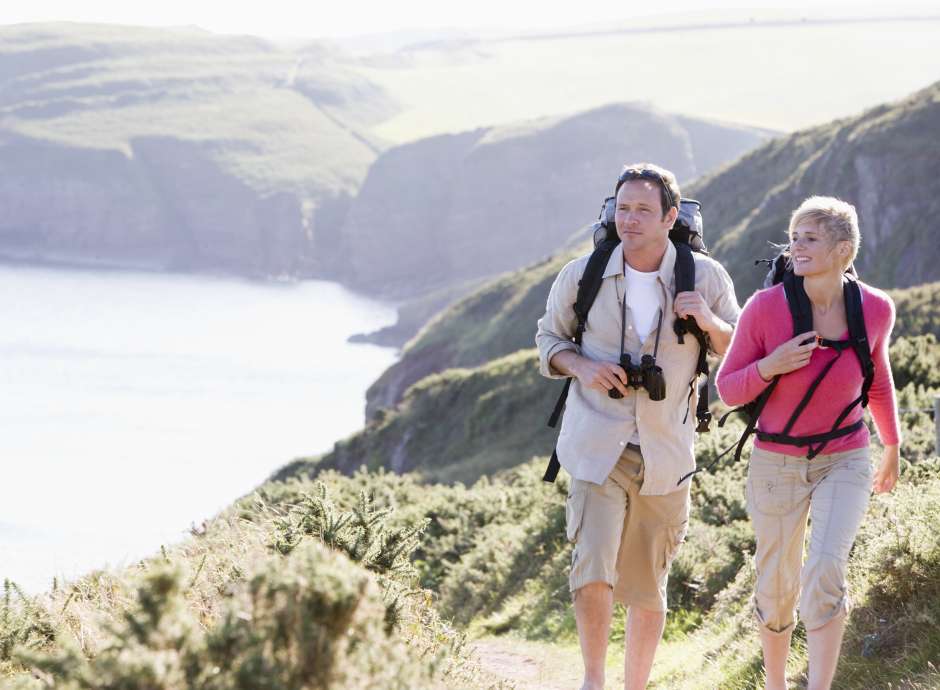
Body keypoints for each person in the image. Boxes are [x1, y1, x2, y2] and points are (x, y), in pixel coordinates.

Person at [535, 162, 740, 690]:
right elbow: (549, 342)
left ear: (670, 217)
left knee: (649, 588)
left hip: (667, 453)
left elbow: (737, 350)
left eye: (644, 210)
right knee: (593, 571)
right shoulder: (581, 274)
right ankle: (594, 681)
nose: (630, 219)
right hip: (596, 444)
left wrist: (708, 320)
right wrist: (584, 367)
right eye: (623, 208)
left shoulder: (706, 277)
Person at [715, 196, 901, 690]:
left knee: (825, 567)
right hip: (775, 461)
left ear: (843, 249)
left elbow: (877, 379)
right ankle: (775, 684)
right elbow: (729, 386)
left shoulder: (875, 308)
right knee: (776, 586)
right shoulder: (765, 308)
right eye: (794, 236)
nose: (796, 246)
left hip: (846, 455)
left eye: (810, 237)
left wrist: (891, 445)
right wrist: (769, 366)